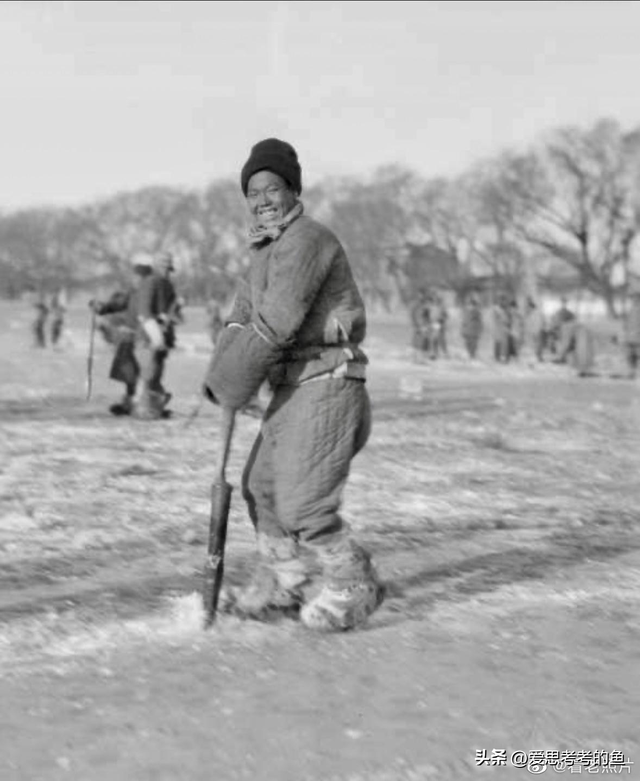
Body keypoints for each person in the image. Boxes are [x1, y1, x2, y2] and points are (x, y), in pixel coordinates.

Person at [203, 137, 385, 632]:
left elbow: (279, 320)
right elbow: (242, 319)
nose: (262, 200)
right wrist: (223, 375)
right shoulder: (263, 251)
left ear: (293, 190)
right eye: (252, 191)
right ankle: (290, 581)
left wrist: (234, 383)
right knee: (260, 488)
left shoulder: (307, 239)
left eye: (272, 188)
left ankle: (353, 581)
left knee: (304, 500)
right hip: (291, 385)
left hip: (328, 379)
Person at [90, 253, 173, 419]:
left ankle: (151, 403)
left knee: (149, 373)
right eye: (134, 277)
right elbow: (116, 304)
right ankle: (130, 403)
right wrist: (100, 308)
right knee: (129, 374)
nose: (136, 280)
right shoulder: (132, 293)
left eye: (139, 277)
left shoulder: (156, 288)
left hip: (146, 336)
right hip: (130, 338)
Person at [623, 281, 640, 379]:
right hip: (630, 337)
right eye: (632, 298)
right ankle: (631, 372)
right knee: (630, 356)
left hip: (638, 337)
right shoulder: (630, 309)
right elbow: (626, 324)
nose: (633, 300)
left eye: (636, 298)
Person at [461, 295, 483, 359]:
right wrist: (463, 330)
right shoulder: (466, 312)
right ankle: (470, 353)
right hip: (467, 331)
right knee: (468, 343)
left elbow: (480, 323)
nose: (471, 306)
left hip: (474, 331)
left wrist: (480, 330)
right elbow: (464, 322)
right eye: (470, 305)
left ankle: (472, 354)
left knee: (474, 344)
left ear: (475, 305)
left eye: (473, 305)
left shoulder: (477, 313)